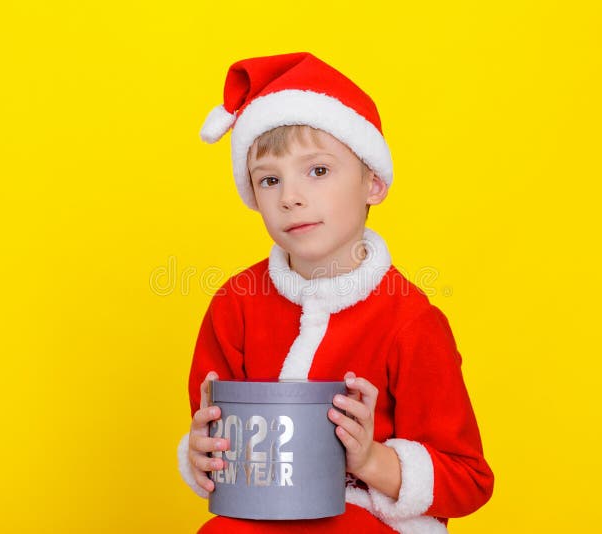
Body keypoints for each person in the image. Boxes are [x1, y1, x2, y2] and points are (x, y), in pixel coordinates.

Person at [177, 52, 493, 533]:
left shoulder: (411, 321)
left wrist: (369, 460)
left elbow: (468, 479)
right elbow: (216, 435)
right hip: (259, 516)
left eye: (318, 171)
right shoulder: (235, 304)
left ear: (373, 182)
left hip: (370, 520)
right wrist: (202, 455)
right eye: (269, 179)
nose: (290, 196)